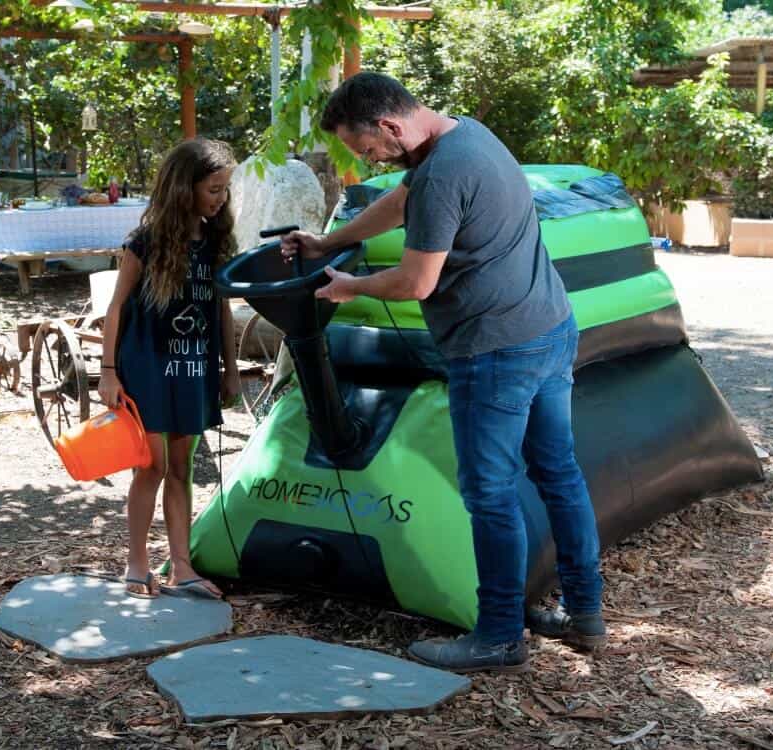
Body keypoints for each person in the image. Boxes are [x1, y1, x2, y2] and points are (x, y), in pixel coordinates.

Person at [281, 72, 606, 673]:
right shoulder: (466, 137)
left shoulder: (442, 172)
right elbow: (402, 199)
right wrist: (330, 242)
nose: (366, 161)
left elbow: (415, 282)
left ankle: (500, 635)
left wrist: (349, 286)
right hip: (550, 328)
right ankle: (585, 614)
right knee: (558, 473)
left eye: (366, 148)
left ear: (389, 126)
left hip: (495, 350)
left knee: (489, 493)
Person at [99, 139, 242, 600]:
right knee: (152, 466)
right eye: (213, 188)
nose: (221, 198)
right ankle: (136, 564)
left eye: (224, 189)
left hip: (195, 368)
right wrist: (107, 371)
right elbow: (117, 307)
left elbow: (221, 311)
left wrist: (230, 369)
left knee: (182, 467)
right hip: (147, 367)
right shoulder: (146, 240)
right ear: (185, 188)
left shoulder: (217, 240)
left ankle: (182, 567)